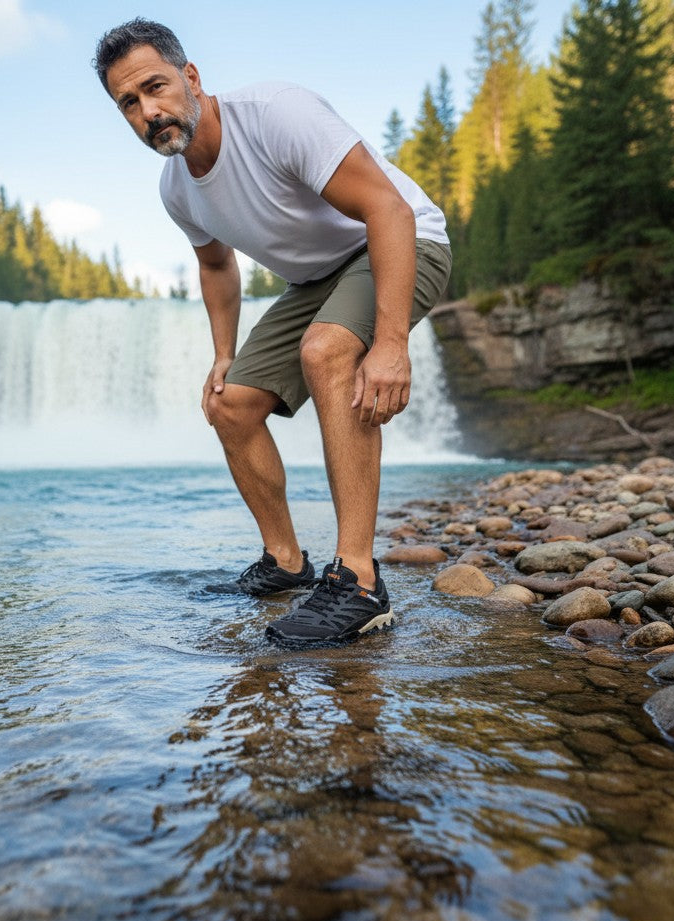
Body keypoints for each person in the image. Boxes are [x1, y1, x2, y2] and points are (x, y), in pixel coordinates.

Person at [93, 18, 451, 647]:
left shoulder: (278, 115)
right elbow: (214, 264)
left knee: (329, 351)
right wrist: (223, 355)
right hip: (315, 280)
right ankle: (287, 562)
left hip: (403, 240)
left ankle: (359, 583)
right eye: (129, 103)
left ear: (190, 77)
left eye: (155, 87)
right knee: (228, 405)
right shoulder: (176, 189)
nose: (149, 111)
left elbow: (387, 208)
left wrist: (390, 345)